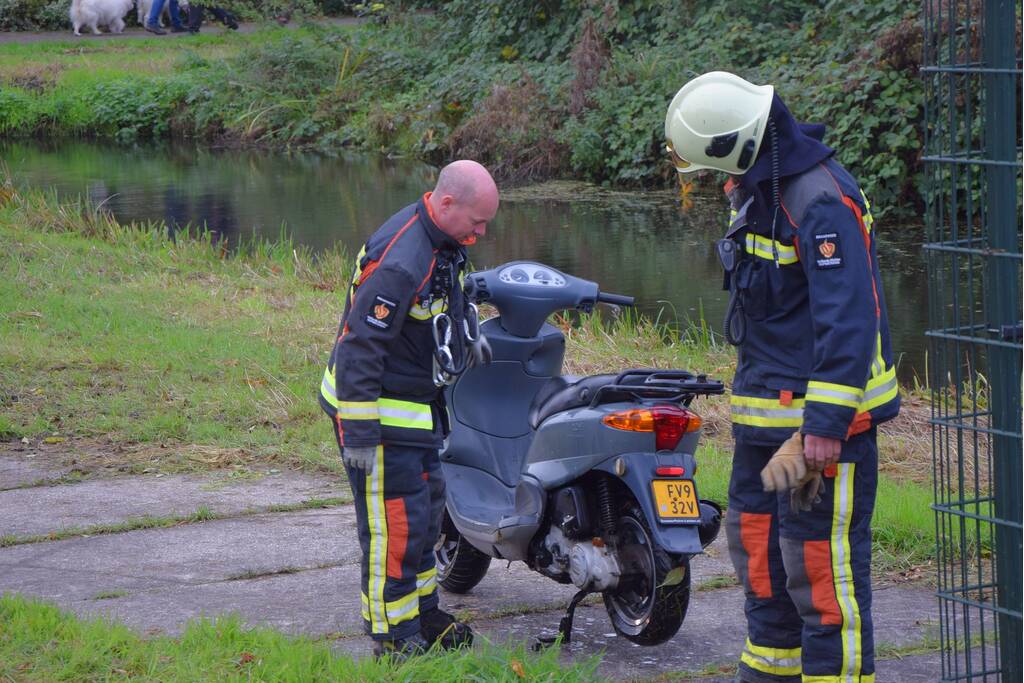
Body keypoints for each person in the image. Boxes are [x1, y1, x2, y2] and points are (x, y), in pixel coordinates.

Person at [664, 71, 899, 683]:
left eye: (714, 166)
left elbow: (848, 319)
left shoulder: (818, 200)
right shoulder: (763, 188)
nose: (714, 181)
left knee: (819, 574)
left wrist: (826, 424)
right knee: (760, 554)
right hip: (765, 426)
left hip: (817, 435)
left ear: (738, 144)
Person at [318, 160, 498, 659]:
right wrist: (358, 434)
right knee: (393, 527)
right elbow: (359, 348)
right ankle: (393, 640)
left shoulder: (443, 240)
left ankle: (424, 615)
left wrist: (468, 336)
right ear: (446, 204)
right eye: (477, 222)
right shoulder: (400, 261)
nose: (481, 233)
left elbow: (447, 295)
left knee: (424, 520)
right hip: (377, 413)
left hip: (415, 410)